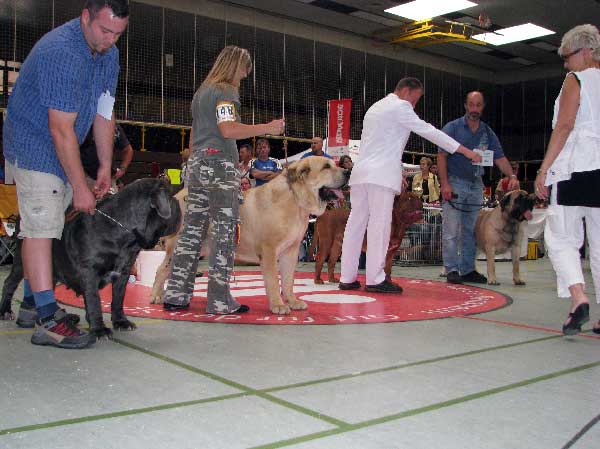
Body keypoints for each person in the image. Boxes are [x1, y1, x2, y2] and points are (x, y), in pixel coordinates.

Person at [2, 0, 129, 349]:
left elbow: (104, 113)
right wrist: (80, 185)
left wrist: (104, 166)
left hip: (61, 142)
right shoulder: (62, 51)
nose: (109, 41)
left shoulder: (109, 54)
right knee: (42, 226)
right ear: (85, 17)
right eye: (104, 31)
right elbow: (60, 130)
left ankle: (30, 305)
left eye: (118, 34)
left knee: (54, 220)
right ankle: (46, 319)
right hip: (33, 144)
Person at [162, 45, 285, 314]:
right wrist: (268, 128)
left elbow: (194, 138)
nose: (243, 76)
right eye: (244, 71)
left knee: (191, 232)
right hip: (220, 167)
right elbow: (228, 129)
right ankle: (219, 300)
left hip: (196, 165)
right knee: (223, 233)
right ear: (236, 66)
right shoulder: (226, 91)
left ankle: (175, 294)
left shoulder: (200, 94)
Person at [339, 77, 481, 294]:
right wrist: (465, 151)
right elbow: (430, 131)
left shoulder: (376, 107)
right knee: (380, 226)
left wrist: (399, 170)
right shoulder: (400, 106)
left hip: (361, 174)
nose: (414, 106)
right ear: (405, 91)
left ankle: (347, 277)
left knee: (355, 224)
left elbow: (383, 143)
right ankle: (376, 280)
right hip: (380, 176)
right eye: (414, 100)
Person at [534, 24, 600, 336]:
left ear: (586, 51)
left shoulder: (576, 79)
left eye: (568, 56)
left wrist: (543, 169)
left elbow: (564, 126)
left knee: (560, 238)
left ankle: (579, 299)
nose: (565, 63)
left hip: (576, 169)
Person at [438, 91, 519, 285]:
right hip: (455, 182)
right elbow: (441, 156)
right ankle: (451, 269)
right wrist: (445, 184)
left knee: (470, 230)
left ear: (483, 107)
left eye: (478, 105)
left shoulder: (487, 132)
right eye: (471, 105)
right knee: (450, 230)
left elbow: (499, 157)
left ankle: (467, 269)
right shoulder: (453, 128)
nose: (475, 109)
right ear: (465, 105)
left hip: (476, 185)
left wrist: (512, 175)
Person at [80, 123, 133, 193]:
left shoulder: (115, 127)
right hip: (85, 177)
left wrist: (122, 169)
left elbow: (128, 150)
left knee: (112, 202)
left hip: (109, 177)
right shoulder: (84, 123)